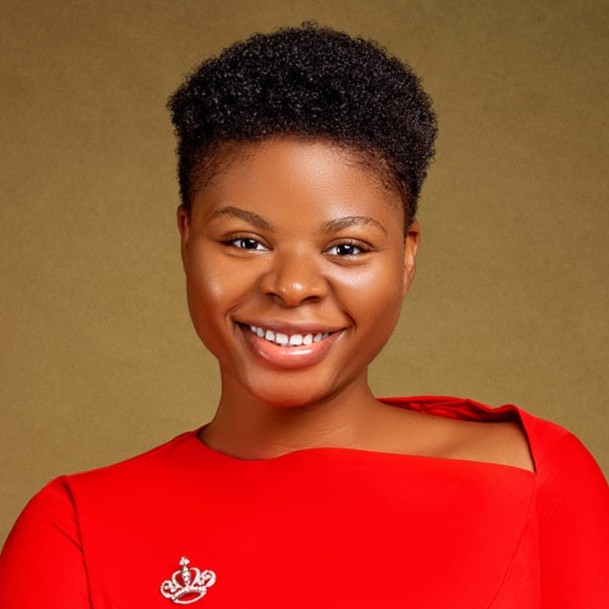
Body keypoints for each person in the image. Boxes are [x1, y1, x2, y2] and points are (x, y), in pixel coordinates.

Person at [1, 23, 608, 609]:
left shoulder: (535, 479)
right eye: (244, 242)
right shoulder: (76, 531)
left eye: (346, 248)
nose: (292, 288)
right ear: (186, 238)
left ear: (406, 256)